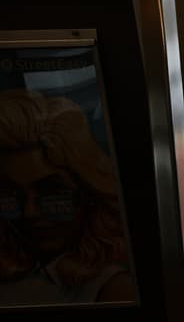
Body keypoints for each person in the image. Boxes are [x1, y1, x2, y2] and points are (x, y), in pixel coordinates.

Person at [0, 89, 135, 306]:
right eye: (10, 195)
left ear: (89, 193)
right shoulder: (13, 270)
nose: (29, 212)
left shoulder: (114, 290)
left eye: (52, 193)